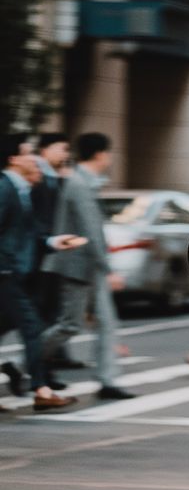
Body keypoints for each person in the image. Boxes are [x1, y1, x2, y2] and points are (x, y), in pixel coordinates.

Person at [39, 133, 135, 400]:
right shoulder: (79, 183)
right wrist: (109, 269)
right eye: (109, 153)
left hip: (88, 265)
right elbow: (91, 231)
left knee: (106, 322)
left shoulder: (85, 182)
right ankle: (29, 359)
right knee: (70, 324)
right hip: (77, 265)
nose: (110, 158)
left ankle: (107, 380)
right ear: (100, 154)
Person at [0, 133, 83, 410]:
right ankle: (41, 390)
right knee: (33, 327)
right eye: (27, 153)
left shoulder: (21, 190)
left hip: (12, 272)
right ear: (13, 159)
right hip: (5, 272)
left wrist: (54, 242)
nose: (33, 158)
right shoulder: (4, 188)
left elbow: (28, 234)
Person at [32, 132, 84, 373]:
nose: (65, 153)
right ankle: (37, 368)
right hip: (40, 254)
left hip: (53, 252)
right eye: (61, 148)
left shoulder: (55, 177)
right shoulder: (38, 177)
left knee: (50, 312)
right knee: (36, 315)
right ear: (45, 150)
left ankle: (46, 367)